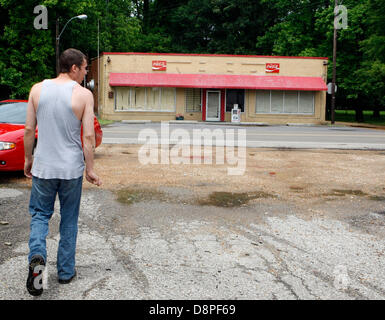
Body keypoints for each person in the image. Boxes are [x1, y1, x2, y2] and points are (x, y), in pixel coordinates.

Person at [23, 48, 102, 296]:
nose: (87, 73)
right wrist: (90, 169)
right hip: (70, 169)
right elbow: (88, 136)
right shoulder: (84, 95)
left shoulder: (37, 90)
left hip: (44, 167)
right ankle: (66, 272)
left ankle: (37, 256)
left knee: (39, 215)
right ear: (74, 67)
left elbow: (28, 129)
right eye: (85, 68)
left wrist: (28, 158)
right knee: (68, 219)